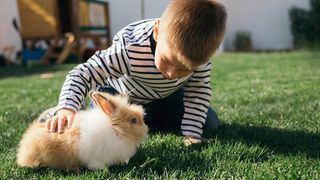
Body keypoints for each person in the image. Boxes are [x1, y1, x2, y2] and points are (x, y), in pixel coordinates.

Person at [42, 0, 227, 146]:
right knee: (97, 131)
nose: (171, 74)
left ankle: (146, 120)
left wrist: (191, 134)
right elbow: (84, 73)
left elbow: (197, 94)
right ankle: (62, 113)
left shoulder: (199, 60)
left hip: (165, 97)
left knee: (209, 122)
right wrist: (67, 107)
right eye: (168, 61)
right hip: (121, 98)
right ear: (157, 31)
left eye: (184, 70)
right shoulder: (129, 49)